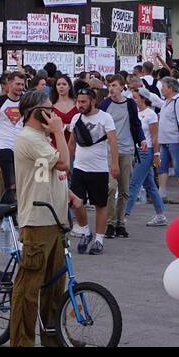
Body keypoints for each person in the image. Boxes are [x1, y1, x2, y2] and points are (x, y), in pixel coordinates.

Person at [9, 89, 71, 347]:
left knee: (55, 288)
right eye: (49, 109)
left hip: (55, 219)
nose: (54, 113)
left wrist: (73, 195)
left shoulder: (42, 139)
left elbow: (51, 173)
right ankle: (22, 341)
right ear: (37, 113)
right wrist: (58, 131)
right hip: (37, 220)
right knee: (29, 289)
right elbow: (64, 163)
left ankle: (52, 338)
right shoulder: (30, 138)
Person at [66, 87, 119, 255]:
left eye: (83, 102)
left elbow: (113, 142)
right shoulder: (76, 119)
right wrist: (67, 163)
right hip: (80, 168)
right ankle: (85, 231)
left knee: (100, 205)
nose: (79, 105)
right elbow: (72, 143)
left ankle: (99, 240)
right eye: (78, 102)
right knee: (76, 202)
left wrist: (115, 164)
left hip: (99, 169)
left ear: (92, 101)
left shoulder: (105, 118)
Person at [100, 74, 144, 238]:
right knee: (111, 187)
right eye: (109, 85)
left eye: (114, 85)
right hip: (110, 150)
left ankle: (120, 223)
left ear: (121, 87)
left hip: (127, 149)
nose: (111, 88)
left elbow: (136, 124)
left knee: (124, 189)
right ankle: (110, 223)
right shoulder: (105, 104)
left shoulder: (130, 104)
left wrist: (141, 140)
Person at [126, 86, 166, 226]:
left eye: (135, 98)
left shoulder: (150, 114)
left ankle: (123, 216)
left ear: (143, 99)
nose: (133, 100)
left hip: (146, 151)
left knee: (134, 184)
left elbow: (155, 137)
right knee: (150, 185)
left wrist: (156, 154)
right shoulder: (134, 112)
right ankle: (160, 215)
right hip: (137, 150)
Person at [0, 72, 25, 205]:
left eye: (22, 84)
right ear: (9, 84)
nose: (20, 87)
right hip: (3, 146)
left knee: (19, 185)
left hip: (22, 147)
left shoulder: (26, 101)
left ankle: (5, 211)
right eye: (17, 84)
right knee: (9, 183)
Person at [155, 77, 179, 204]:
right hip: (164, 139)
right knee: (162, 167)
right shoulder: (166, 102)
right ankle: (162, 194)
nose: (162, 89)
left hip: (174, 140)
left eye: (164, 86)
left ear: (170, 88)